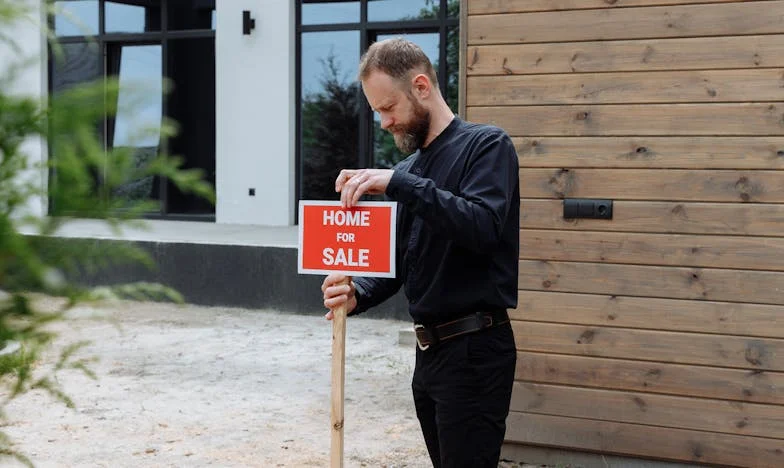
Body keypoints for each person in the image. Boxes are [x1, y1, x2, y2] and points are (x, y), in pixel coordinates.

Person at [321, 37, 519, 468]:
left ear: (422, 86)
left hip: (476, 349)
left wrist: (397, 183)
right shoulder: (409, 170)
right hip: (428, 357)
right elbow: (398, 263)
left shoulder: (487, 146)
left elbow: (482, 227)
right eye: (377, 112)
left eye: (389, 107)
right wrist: (359, 294)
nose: (385, 122)